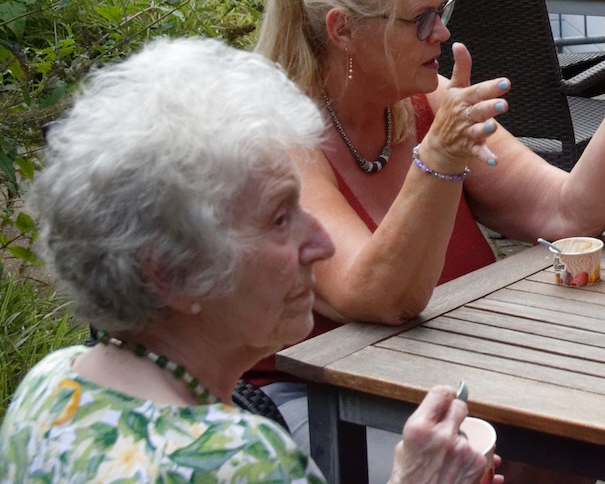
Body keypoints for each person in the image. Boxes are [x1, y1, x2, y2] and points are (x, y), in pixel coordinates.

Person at [252, 0, 605, 480]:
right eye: (421, 20)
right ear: (343, 30)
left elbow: (567, 214)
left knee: (575, 435)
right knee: (520, 453)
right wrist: (438, 161)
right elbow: (377, 299)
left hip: (440, 368)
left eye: (443, 12)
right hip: (327, 401)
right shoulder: (283, 139)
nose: (441, 34)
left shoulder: (428, 101)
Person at [0, 37, 494, 484]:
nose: (321, 244)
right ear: (170, 271)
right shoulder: (237, 460)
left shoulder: (52, 387)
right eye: (280, 218)